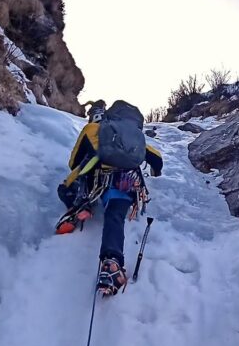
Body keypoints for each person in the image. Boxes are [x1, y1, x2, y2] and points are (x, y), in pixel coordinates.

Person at [57, 100, 162, 295]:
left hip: (95, 180)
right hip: (125, 183)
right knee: (115, 217)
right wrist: (155, 172)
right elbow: (156, 159)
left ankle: (82, 204)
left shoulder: (93, 129)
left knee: (67, 187)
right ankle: (112, 264)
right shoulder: (134, 137)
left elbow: (74, 162)